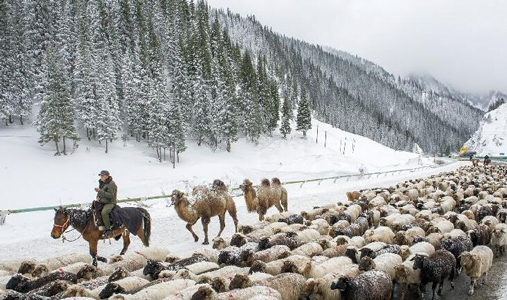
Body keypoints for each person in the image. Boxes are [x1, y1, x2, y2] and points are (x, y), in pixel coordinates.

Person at [94, 170, 117, 238]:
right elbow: (101, 193)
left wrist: (99, 191)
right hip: (102, 201)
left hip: (110, 202)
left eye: (102, 175)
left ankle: (108, 229)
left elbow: (110, 195)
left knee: (104, 212)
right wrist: (98, 196)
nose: (101, 177)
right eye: (100, 175)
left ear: (107, 176)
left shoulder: (111, 183)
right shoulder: (102, 183)